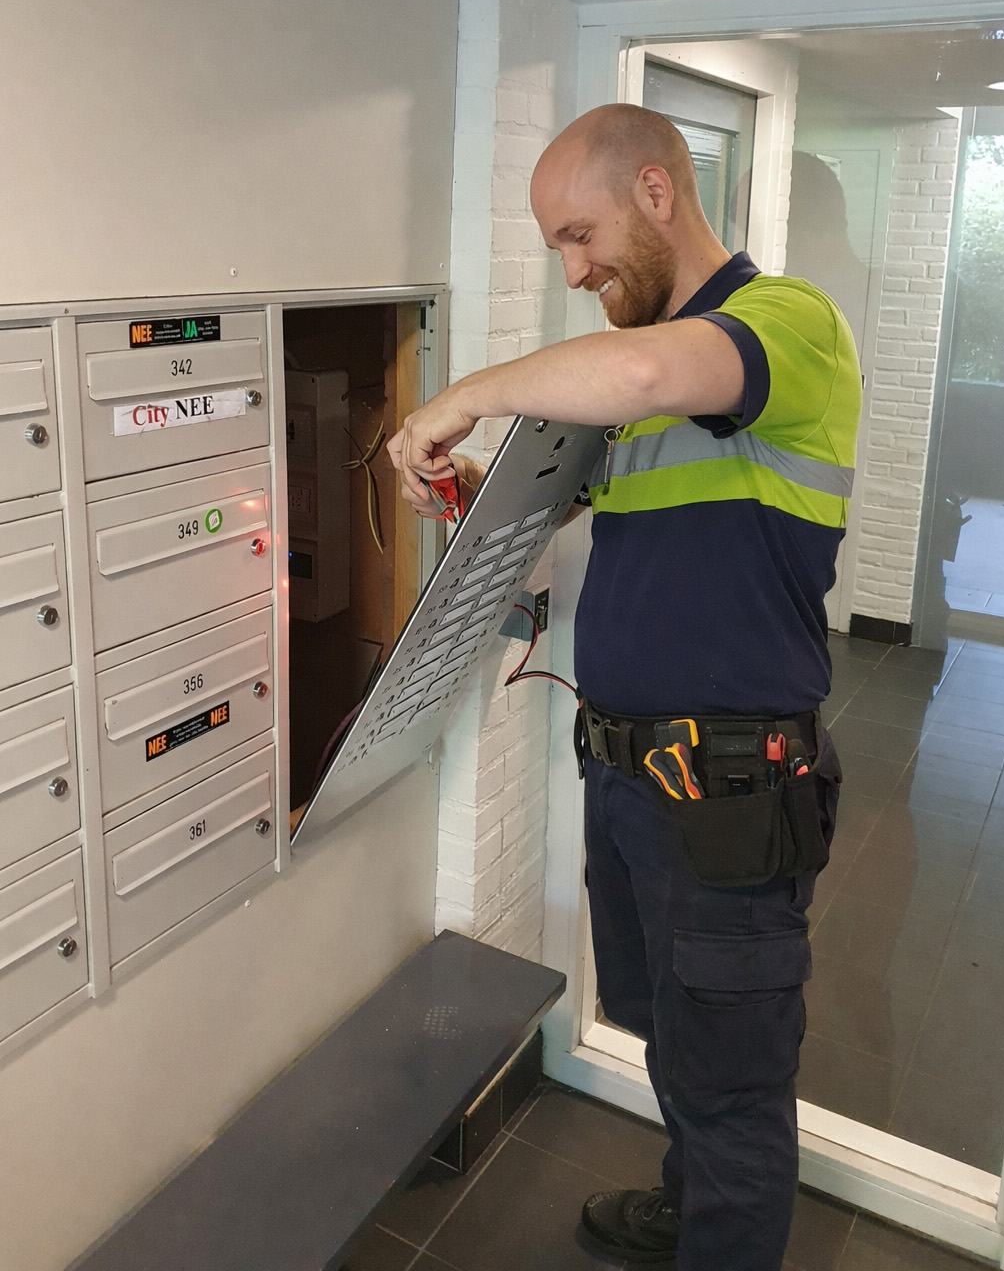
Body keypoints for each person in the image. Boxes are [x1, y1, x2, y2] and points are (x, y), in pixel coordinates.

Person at [387, 104, 861, 1271]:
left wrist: (469, 394)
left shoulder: (778, 325)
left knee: (734, 1079)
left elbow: (647, 366)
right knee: (673, 1039)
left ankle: (719, 1234)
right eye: (554, 244)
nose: (573, 267)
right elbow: (614, 515)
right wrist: (479, 505)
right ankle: (689, 1209)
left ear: (657, 192)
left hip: (729, 798)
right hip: (634, 784)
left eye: (579, 233)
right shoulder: (644, 408)